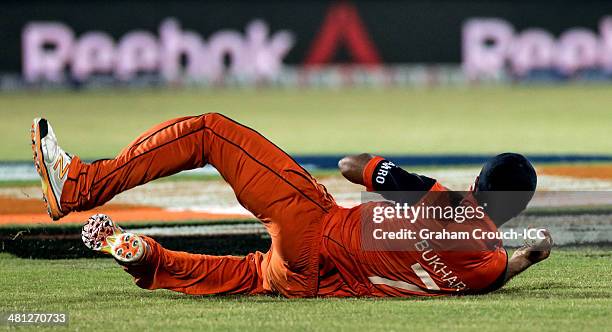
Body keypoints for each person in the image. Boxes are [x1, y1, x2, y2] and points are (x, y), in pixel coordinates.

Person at [30, 113, 552, 298]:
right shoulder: (485, 266)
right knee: (251, 274)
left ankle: (77, 185)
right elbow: (501, 270)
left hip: (318, 228)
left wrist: (399, 177)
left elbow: (352, 165)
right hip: (314, 284)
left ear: (481, 181)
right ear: (516, 210)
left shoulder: (447, 205)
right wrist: (530, 256)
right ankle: (146, 258)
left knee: (211, 131)